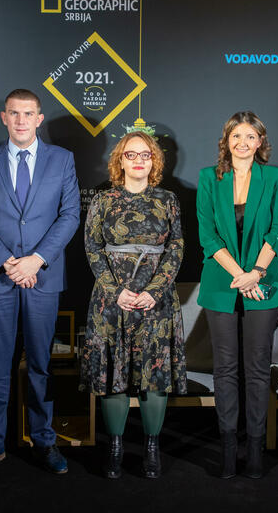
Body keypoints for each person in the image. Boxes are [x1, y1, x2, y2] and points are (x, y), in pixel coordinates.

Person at [81, 130, 187, 479]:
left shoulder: (168, 199)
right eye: (131, 154)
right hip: (112, 302)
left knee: (154, 374)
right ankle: (115, 446)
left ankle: (151, 447)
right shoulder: (103, 200)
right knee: (113, 371)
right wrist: (115, 291)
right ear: (120, 161)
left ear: (154, 161)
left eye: (146, 154)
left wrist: (155, 290)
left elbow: (176, 248)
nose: (139, 160)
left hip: (156, 301)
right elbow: (92, 247)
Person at [0, 89, 80, 474]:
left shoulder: (62, 159)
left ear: (39, 119)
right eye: (14, 113)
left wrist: (36, 260)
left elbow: (70, 215)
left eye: (28, 114)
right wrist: (7, 261)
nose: (21, 120)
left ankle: (43, 440)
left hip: (42, 277)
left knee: (41, 364)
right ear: (4, 118)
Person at [196, 111, 278, 479]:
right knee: (225, 369)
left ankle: (256, 450)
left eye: (250, 136)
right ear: (226, 141)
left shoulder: (275, 178)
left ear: (260, 142)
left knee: (258, 368)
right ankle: (229, 449)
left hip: (263, 281)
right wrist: (240, 276)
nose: (243, 143)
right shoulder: (209, 178)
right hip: (223, 284)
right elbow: (207, 235)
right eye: (236, 136)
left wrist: (256, 273)